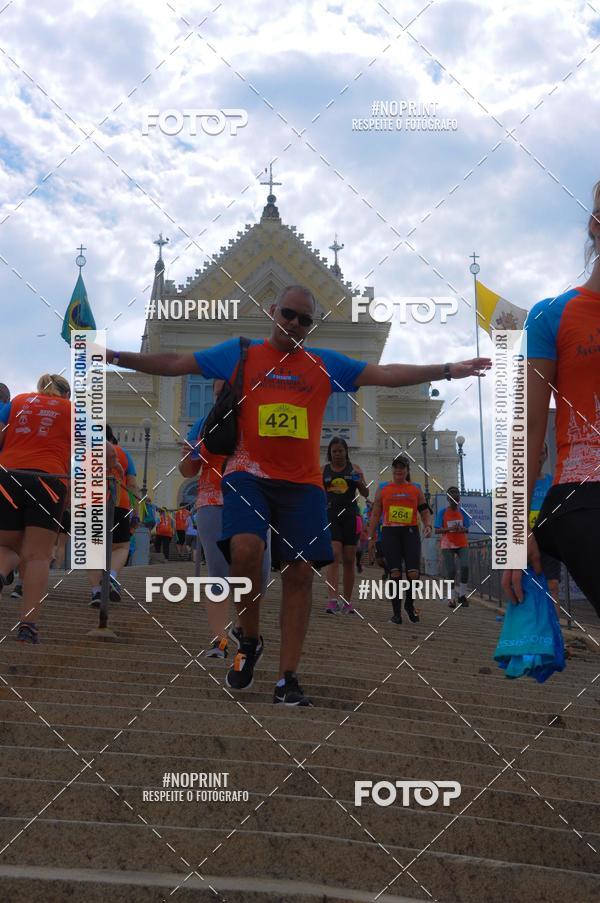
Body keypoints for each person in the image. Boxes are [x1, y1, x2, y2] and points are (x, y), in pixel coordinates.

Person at [106, 284, 490, 704]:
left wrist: (449, 369)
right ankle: (250, 639)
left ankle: (288, 677)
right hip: (248, 473)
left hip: (303, 484)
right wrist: (116, 357)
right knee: (246, 551)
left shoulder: (323, 363)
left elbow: (386, 373)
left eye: (305, 319)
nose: (294, 323)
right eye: (288, 314)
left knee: (300, 574)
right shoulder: (242, 354)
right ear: (273, 311)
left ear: (312, 326)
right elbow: (176, 362)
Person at [503, 180, 600, 616]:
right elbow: (527, 427)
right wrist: (512, 534)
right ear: (595, 225)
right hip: (584, 494)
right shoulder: (552, 314)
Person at [181, 383, 271, 658]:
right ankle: (219, 640)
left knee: (260, 573)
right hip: (212, 500)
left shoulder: (259, 419)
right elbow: (187, 469)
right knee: (218, 573)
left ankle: (243, 628)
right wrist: (192, 451)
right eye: (220, 392)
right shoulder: (203, 424)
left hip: (253, 500)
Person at [0, 374, 71, 642]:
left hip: (8, 474)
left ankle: (1, 572)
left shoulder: (18, 401)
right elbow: (105, 454)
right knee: (38, 556)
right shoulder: (72, 410)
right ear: (66, 395)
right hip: (48, 479)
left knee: (5, 546)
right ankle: (28, 625)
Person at [368, 456, 432, 624]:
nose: (399, 470)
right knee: (395, 572)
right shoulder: (383, 488)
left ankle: (409, 605)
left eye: (402, 467)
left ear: (407, 470)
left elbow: (424, 510)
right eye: (396, 467)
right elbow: (375, 513)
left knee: (413, 573)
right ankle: (396, 614)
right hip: (390, 532)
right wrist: (371, 536)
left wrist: (428, 525)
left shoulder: (415, 489)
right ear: (392, 469)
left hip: (410, 532)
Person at [88, 424, 139, 607]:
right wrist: (136, 509)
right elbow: (132, 484)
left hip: (93, 503)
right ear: (112, 437)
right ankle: (111, 577)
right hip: (120, 503)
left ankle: (96, 592)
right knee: (120, 547)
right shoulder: (123, 453)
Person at [323, 437, 368, 614]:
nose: (338, 454)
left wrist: (359, 481)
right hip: (331, 515)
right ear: (330, 453)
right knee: (334, 554)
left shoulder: (354, 469)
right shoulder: (323, 470)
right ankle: (332, 599)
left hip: (350, 515)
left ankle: (347, 601)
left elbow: (365, 492)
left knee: (349, 558)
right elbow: (317, 493)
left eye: (341, 451)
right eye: (334, 451)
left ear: (346, 452)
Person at [529, 443, 561, 617]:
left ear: (546, 456)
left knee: (553, 585)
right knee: (530, 586)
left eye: (542, 453)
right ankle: (532, 627)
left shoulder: (551, 481)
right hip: (527, 541)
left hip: (548, 540)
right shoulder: (521, 482)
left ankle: (555, 629)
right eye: (535, 452)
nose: (539, 457)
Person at [434, 487, 472, 609]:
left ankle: (462, 595)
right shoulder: (442, 512)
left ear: (459, 499)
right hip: (447, 544)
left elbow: (467, 528)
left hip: (462, 543)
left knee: (465, 566)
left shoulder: (463, 513)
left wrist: (462, 529)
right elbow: (437, 530)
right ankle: (451, 598)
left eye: (457, 498)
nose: (455, 501)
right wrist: (449, 529)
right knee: (451, 571)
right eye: (452, 499)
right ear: (448, 500)